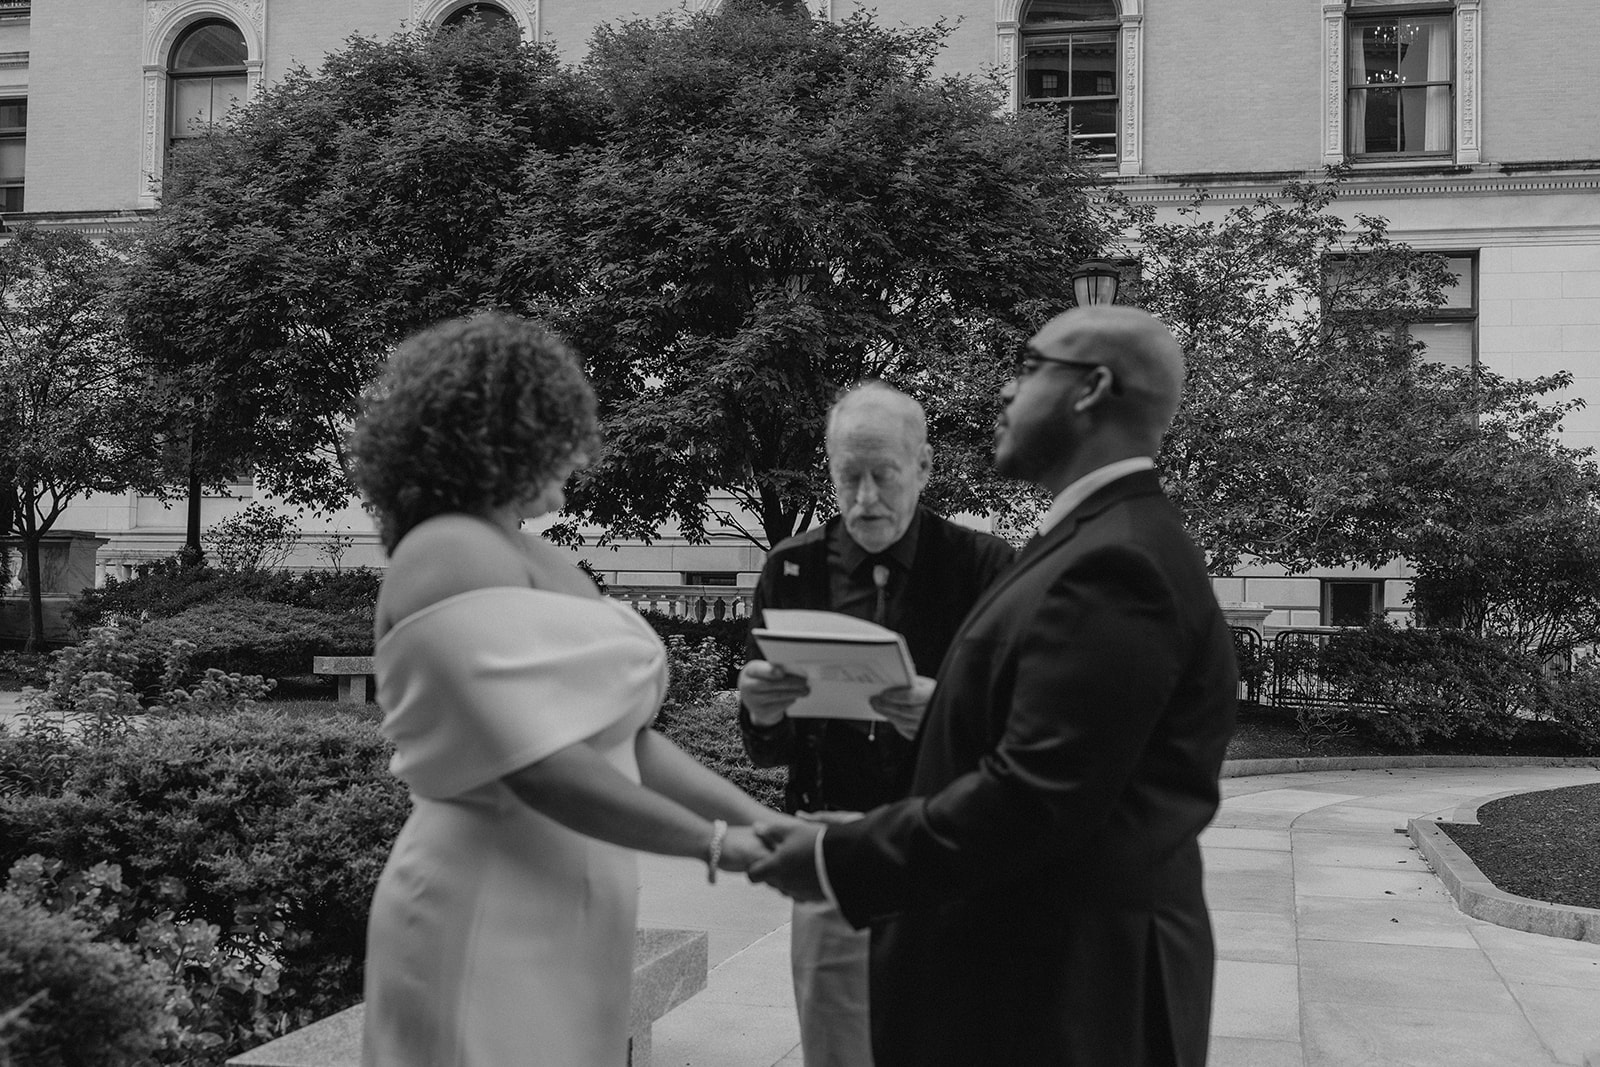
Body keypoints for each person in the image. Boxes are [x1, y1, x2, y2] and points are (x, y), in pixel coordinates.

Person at [749, 306, 1239, 1067]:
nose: (1007, 392)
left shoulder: (1118, 563)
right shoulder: (1094, 539)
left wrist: (833, 855)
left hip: (1073, 991)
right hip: (1030, 966)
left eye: (1030, 367)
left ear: (1090, 389)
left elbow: (1035, 793)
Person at [351, 313, 784, 1067]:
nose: (578, 450)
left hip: (572, 918)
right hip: (486, 909)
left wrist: (761, 821)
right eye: (562, 429)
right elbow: (536, 763)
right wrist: (718, 844)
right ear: (506, 433)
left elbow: (624, 740)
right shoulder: (444, 548)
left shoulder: (531, 553)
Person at [738, 381, 1013, 1067]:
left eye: (883, 476)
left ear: (922, 467)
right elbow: (766, 747)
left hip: (949, 843)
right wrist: (763, 710)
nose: (864, 499)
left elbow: (1020, 726)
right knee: (839, 1050)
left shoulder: (984, 566)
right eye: (846, 476)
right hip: (836, 845)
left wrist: (945, 713)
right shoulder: (792, 567)